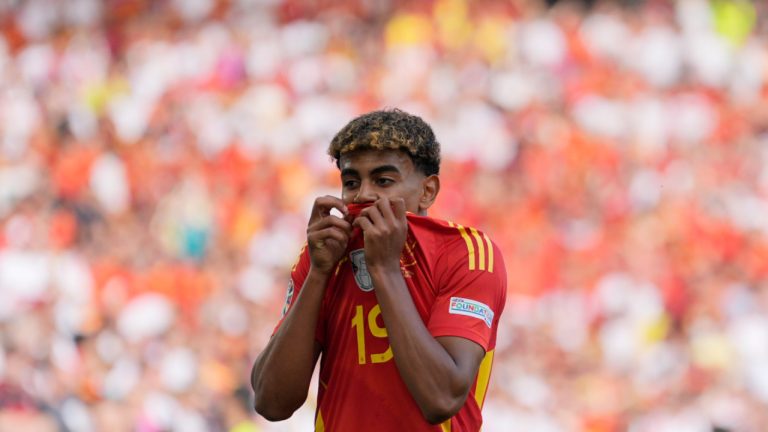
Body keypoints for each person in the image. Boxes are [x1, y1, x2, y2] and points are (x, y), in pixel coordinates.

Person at [250, 109, 507, 431]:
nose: (364, 195)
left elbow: (441, 399)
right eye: (351, 182)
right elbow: (272, 403)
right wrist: (317, 274)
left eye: (383, 181)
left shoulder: (466, 252)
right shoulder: (323, 255)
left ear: (427, 191)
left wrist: (384, 270)